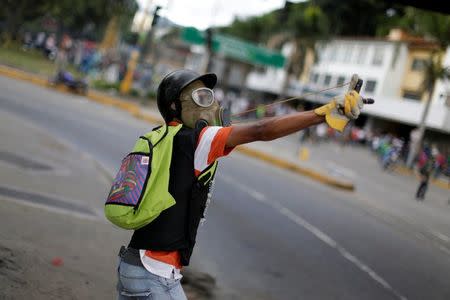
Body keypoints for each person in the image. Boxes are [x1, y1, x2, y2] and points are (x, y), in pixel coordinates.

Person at [115, 69, 365, 299]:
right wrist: (324, 114)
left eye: (210, 96)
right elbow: (262, 130)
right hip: (154, 273)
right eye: (201, 97)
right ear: (174, 106)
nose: (212, 104)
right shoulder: (198, 140)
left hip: (133, 264)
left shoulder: (160, 136)